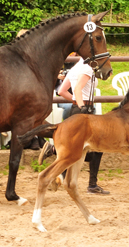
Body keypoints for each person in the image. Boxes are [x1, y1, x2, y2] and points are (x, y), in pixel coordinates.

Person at [39, 56, 110, 194]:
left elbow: (61, 91)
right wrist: (83, 106)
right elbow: (77, 89)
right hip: (85, 110)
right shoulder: (88, 68)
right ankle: (92, 185)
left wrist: (76, 103)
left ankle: (55, 156)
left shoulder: (74, 68)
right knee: (96, 148)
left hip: (74, 109)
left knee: (77, 148)